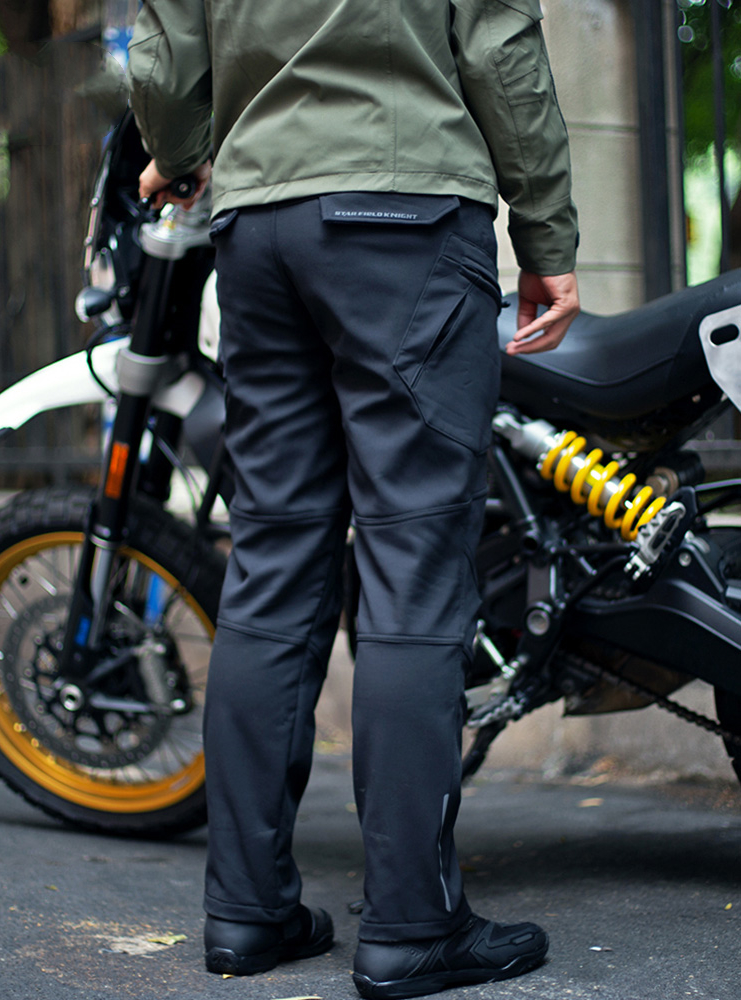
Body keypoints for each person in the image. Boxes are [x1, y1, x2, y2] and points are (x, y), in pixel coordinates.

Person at [127, 2, 579, 997]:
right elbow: (498, 47)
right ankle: (413, 926)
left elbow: (161, 53)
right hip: (406, 213)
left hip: (258, 230)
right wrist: (548, 233)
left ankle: (246, 911)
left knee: (271, 561)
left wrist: (182, 153)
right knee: (413, 567)